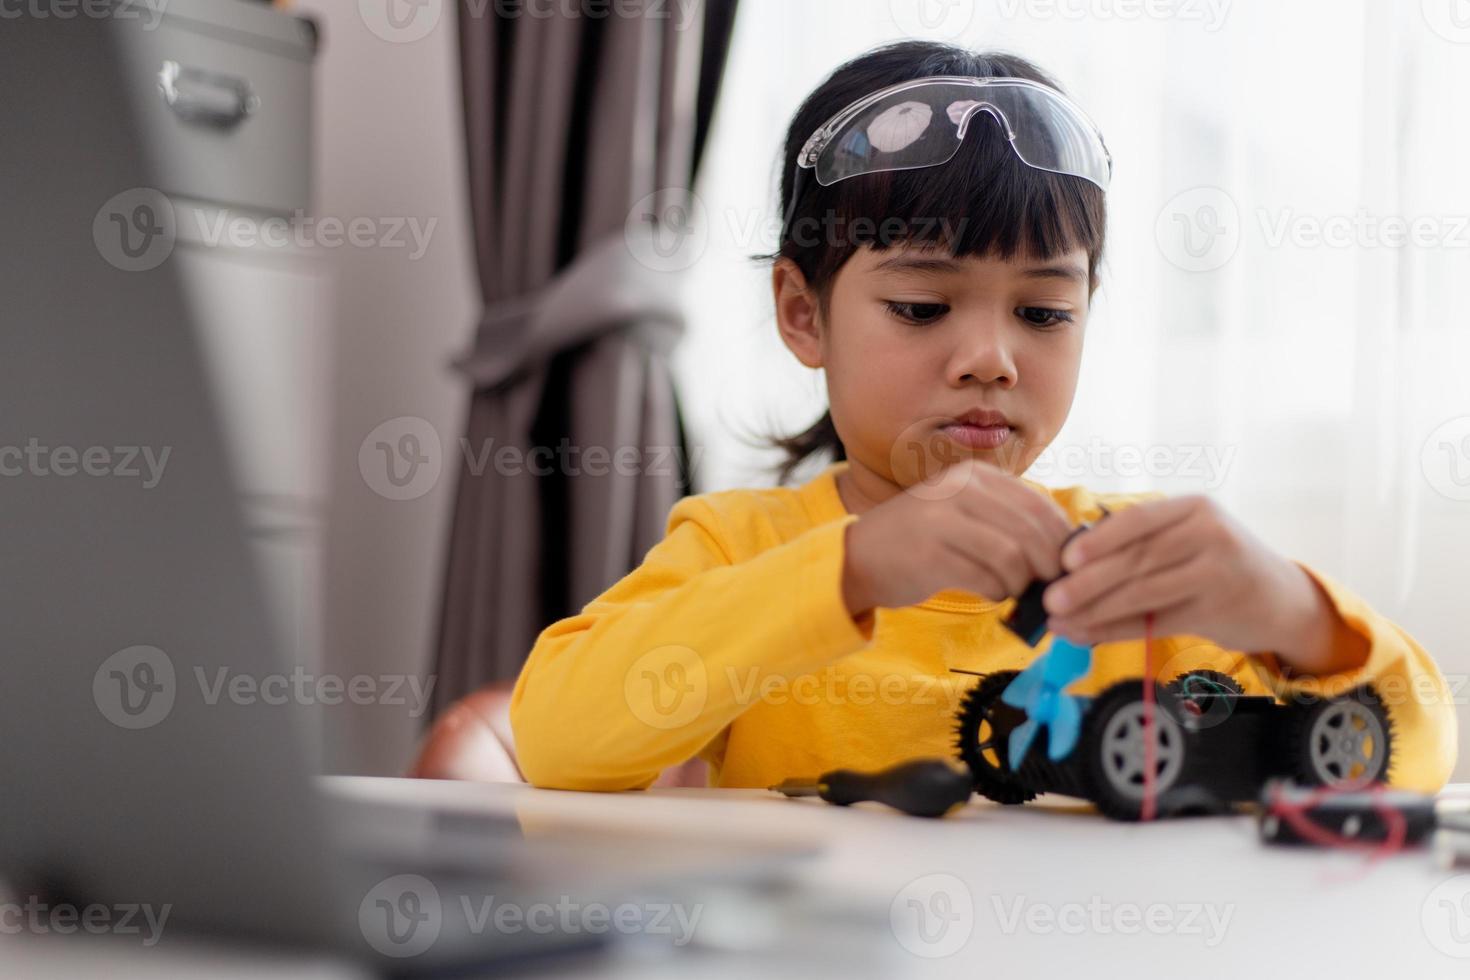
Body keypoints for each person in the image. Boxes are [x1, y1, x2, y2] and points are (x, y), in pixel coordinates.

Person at [496, 41, 1457, 794]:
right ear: (802, 314)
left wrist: (1294, 615)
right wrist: (857, 567)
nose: (992, 359)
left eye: (1044, 313)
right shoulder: (742, 547)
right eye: (921, 308)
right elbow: (556, 740)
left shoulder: (1132, 574)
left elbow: (1411, 760)